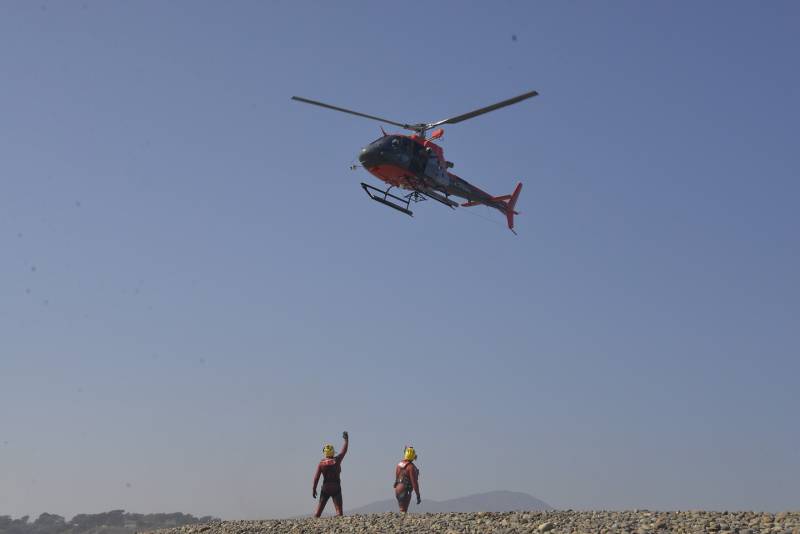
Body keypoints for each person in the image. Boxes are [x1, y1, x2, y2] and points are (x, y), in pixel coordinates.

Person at [312, 431, 349, 517]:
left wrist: (314, 489)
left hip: (325, 488)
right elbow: (344, 451)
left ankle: (314, 522)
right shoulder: (337, 460)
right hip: (336, 487)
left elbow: (316, 478)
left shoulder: (321, 463)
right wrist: (346, 440)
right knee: (339, 512)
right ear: (332, 452)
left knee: (318, 513)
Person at [394, 445, 421, 512]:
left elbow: (396, 478)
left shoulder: (399, 465)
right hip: (405, 489)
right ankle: (401, 521)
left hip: (397, 489)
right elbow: (414, 482)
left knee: (401, 509)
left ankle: (399, 520)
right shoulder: (410, 467)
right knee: (404, 510)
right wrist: (418, 495)